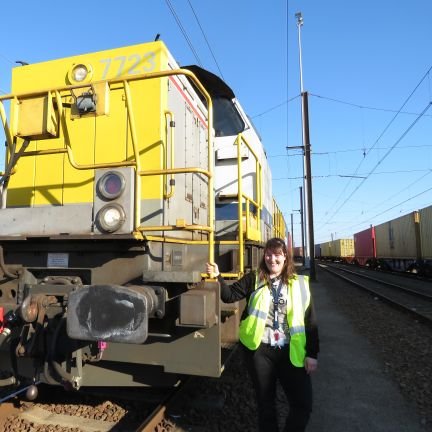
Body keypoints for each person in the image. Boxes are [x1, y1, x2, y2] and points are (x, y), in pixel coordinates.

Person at [206, 237, 319, 432]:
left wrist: (312, 354)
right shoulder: (254, 278)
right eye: (268, 254)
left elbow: (310, 322)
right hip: (260, 352)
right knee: (265, 404)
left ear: (285, 257)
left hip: (290, 352)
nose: (272, 259)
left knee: (303, 405)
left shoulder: (300, 284)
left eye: (277, 254)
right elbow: (229, 296)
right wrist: (218, 276)